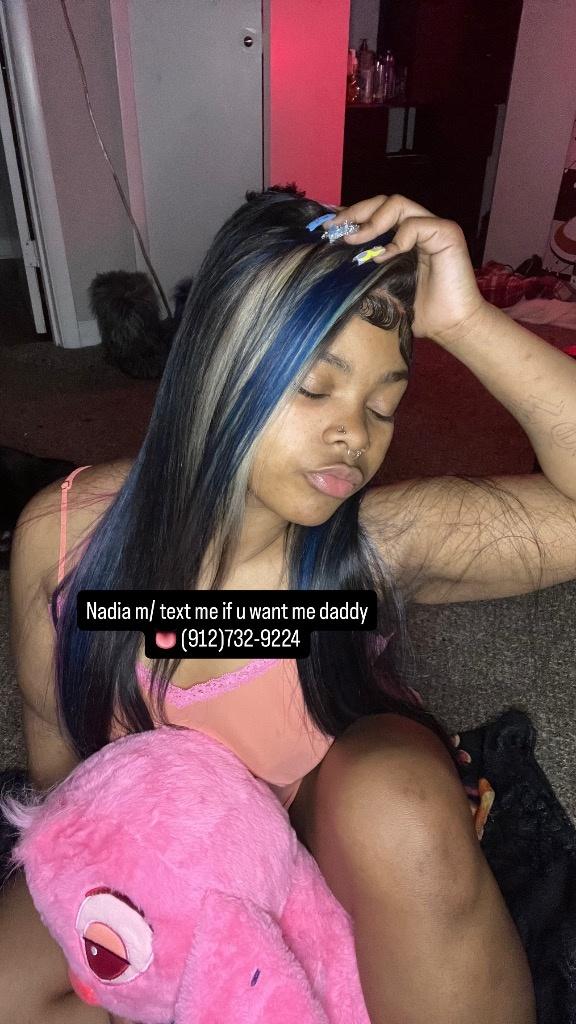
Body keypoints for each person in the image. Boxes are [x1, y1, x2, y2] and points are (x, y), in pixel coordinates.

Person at [5, 184, 576, 1024]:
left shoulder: (375, 546)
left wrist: (468, 323)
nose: (357, 434)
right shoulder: (66, 539)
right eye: (317, 388)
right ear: (213, 362)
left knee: (401, 805)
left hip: (323, 842)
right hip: (172, 853)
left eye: (383, 405)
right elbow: (59, 759)